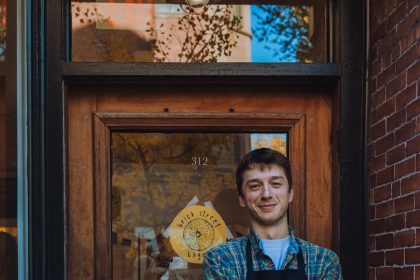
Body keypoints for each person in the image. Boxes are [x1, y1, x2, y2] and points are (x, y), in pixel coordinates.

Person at [203, 148, 342, 279]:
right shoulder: (221, 258)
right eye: (255, 186)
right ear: (242, 199)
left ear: (290, 194)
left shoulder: (323, 261)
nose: (267, 194)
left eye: (275, 184)